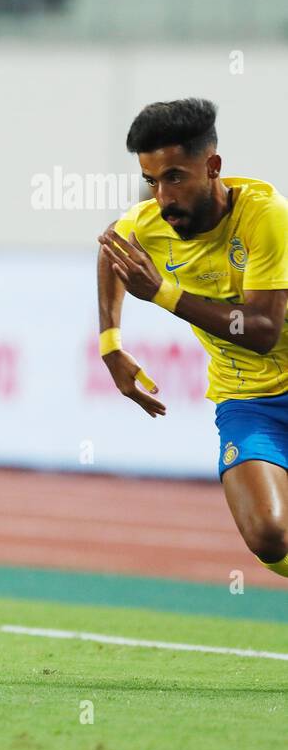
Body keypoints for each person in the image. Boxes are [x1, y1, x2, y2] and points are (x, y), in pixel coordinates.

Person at [98, 97, 288, 581]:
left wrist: (162, 293)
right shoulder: (150, 223)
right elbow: (109, 250)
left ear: (212, 166)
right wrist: (111, 344)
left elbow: (262, 331)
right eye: (151, 181)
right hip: (249, 402)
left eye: (175, 177)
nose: (162, 197)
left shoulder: (266, 217)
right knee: (269, 534)